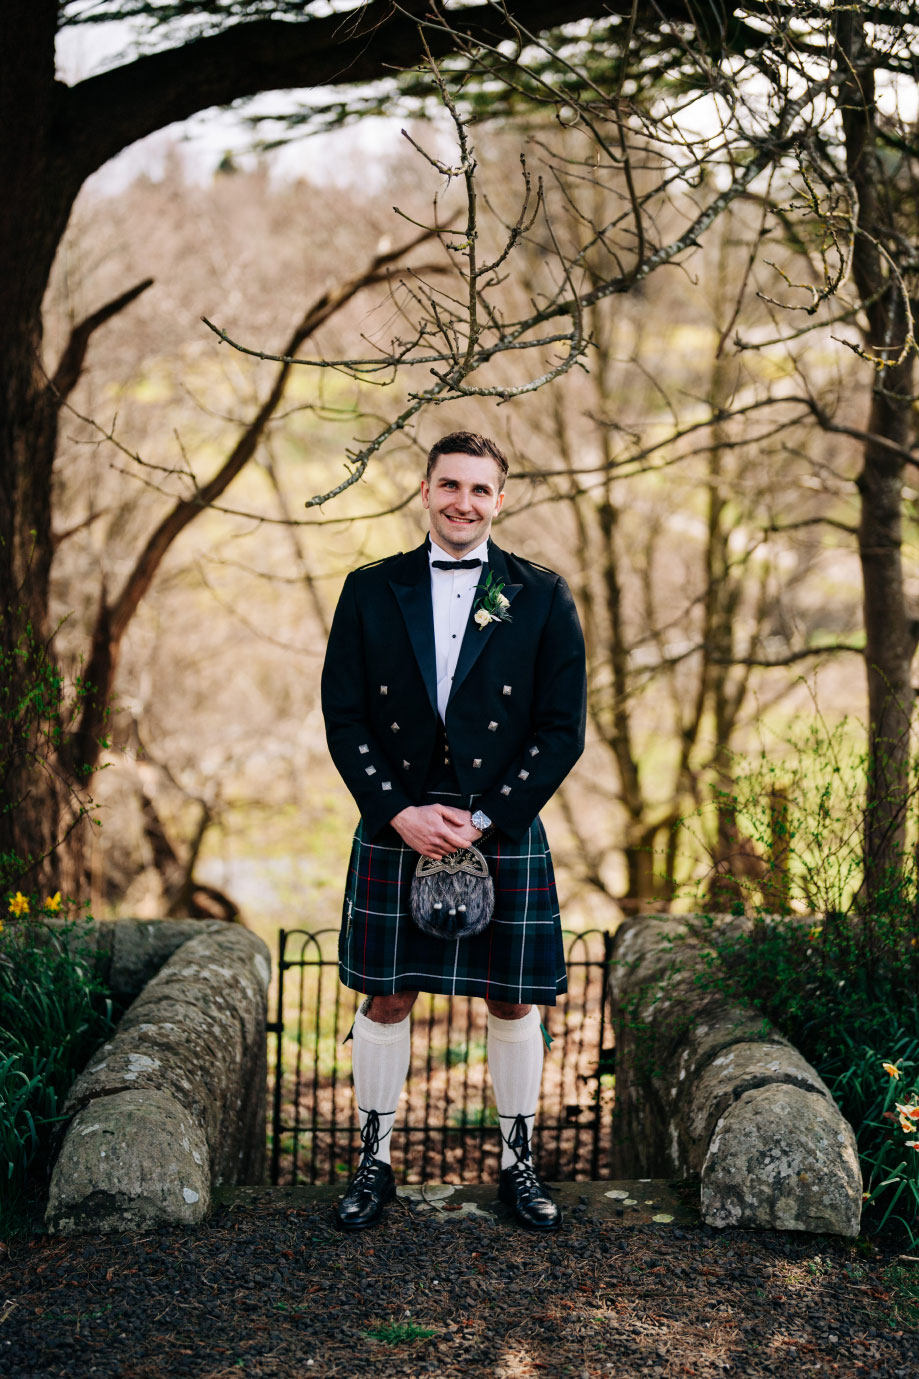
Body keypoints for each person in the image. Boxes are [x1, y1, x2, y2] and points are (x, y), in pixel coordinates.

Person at [320, 431, 586, 1233]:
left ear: (499, 500)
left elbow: (559, 727)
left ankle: (518, 1165)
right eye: (449, 485)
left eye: (479, 489)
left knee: (512, 1001)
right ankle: (373, 1162)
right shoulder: (371, 589)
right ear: (424, 490)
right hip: (398, 811)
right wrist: (397, 811)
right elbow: (345, 714)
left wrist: (483, 815)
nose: (462, 501)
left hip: (497, 815)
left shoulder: (540, 594)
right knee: (388, 994)